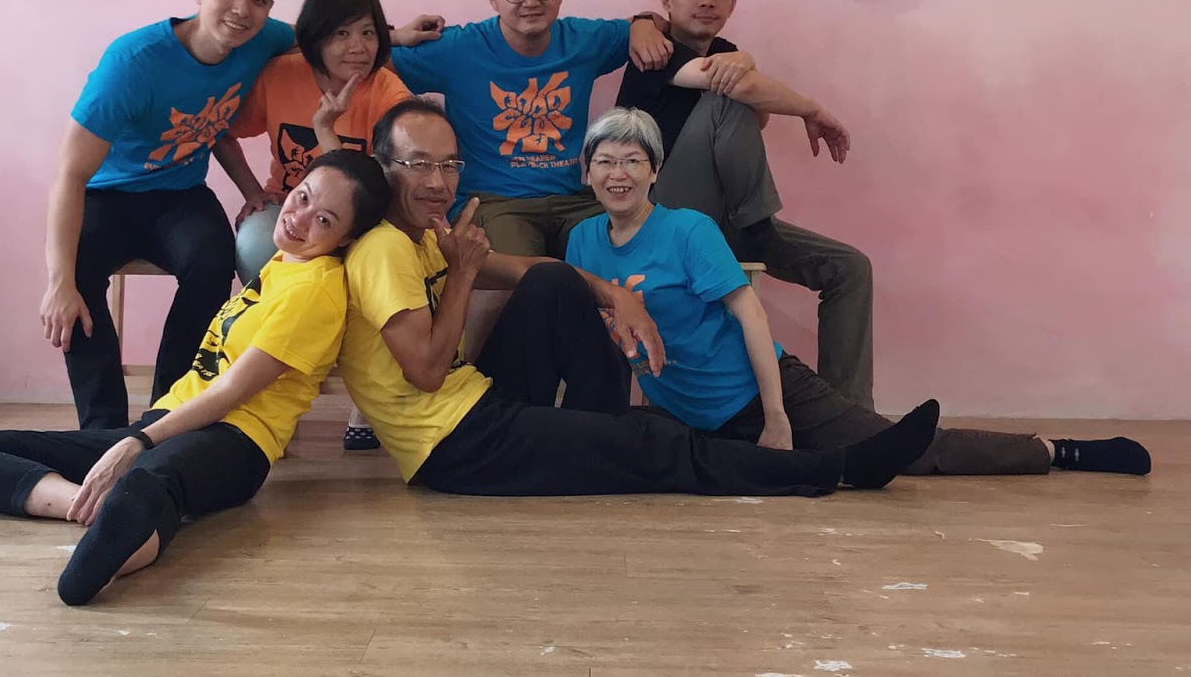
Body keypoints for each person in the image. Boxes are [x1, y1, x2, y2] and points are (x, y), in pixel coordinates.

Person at [338, 97, 943, 501]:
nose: (438, 181)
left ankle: (602, 432)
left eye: (449, 165)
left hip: (478, 409)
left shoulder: (422, 238)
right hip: (456, 444)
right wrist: (463, 275)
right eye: (418, 165)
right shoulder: (386, 249)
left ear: (654, 171)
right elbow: (425, 372)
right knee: (657, 443)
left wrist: (615, 297)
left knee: (556, 287)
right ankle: (838, 470)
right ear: (382, 166)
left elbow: (530, 269)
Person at [568, 108, 1152, 478]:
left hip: (761, 392)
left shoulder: (688, 231)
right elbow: (609, 340)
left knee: (912, 453)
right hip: (694, 416)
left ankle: (1060, 450)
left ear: (654, 171)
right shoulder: (583, 242)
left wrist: (776, 416)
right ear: (587, 171)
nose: (619, 174)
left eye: (633, 161)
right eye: (606, 162)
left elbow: (750, 316)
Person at [0, 151, 393, 606]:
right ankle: (89, 504)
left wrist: (137, 442)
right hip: (170, 422)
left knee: (139, 492)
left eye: (324, 220)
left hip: (235, 442)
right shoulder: (284, 263)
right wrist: (133, 445)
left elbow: (231, 391)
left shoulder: (315, 290)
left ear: (346, 238)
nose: (300, 218)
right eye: (303, 197)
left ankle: (122, 510)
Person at [39, 0, 293, 430]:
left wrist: (394, 35)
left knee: (213, 260)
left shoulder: (264, 39)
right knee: (78, 273)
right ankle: (103, 431)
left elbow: (331, 36)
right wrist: (58, 282)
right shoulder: (132, 63)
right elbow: (70, 173)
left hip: (179, 194)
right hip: (107, 195)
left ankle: (170, 415)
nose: (242, 9)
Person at [616, 0, 873, 404]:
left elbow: (757, 119)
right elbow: (742, 93)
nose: (707, 0)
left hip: (724, 218)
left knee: (849, 268)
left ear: (734, 2)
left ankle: (849, 415)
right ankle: (756, 230)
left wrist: (744, 63)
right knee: (729, 95)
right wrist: (811, 110)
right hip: (658, 218)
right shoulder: (654, 52)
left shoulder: (727, 53)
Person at [391, 0, 672, 261]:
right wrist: (394, 35)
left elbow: (657, 23)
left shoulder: (583, 40)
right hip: (494, 203)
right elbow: (363, 56)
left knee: (637, 255)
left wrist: (643, 24)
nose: (531, 2)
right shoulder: (458, 48)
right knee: (527, 278)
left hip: (574, 200)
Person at [221, 0, 410, 451]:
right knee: (255, 241)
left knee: (378, 257)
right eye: (342, 33)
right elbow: (219, 128)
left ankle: (367, 394)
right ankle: (264, 396)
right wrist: (251, 191)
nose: (358, 47)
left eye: (368, 32)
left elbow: (376, 185)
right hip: (291, 209)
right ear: (316, 37)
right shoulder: (280, 75)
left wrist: (327, 132)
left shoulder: (386, 90)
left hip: (359, 219)